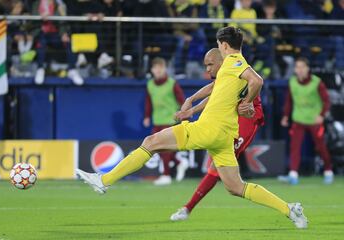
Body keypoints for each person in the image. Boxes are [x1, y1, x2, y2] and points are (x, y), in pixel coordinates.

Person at [76, 26, 308, 229]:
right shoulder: (233, 69)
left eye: (219, 44)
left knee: (150, 142)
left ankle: (103, 181)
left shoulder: (233, 61)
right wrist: (192, 106)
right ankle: (290, 209)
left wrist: (247, 103)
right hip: (224, 136)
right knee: (236, 187)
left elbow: (258, 80)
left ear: (224, 45)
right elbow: (217, 90)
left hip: (208, 129)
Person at [169, 47, 264, 221]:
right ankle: (187, 208)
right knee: (219, 169)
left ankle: (187, 208)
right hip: (232, 116)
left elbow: (256, 81)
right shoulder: (226, 70)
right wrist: (191, 102)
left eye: (210, 65)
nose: (207, 69)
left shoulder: (235, 65)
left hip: (246, 119)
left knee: (217, 169)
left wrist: (192, 106)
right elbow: (214, 91)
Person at [280, 57, 334, 185]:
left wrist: (321, 115)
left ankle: (328, 171)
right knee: (295, 147)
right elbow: (289, 101)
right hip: (298, 120)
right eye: (297, 67)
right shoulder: (292, 82)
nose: (299, 70)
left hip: (314, 120)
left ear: (307, 68)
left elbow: (326, 101)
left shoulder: (317, 82)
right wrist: (286, 116)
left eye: (302, 67)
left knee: (321, 147)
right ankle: (293, 174)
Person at [143, 57, 188, 185]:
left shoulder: (172, 83)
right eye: (155, 68)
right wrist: (147, 116)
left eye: (160, 68)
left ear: (164, 69)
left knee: (164, 148)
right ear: (152, 70)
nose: (158, 70)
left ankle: (166, 175)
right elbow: (148, 102)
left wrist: (184, 114)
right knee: (159, 148)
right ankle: (180, 163)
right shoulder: (150, 84)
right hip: (157, 120)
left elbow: (181, 99)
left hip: (170, 120)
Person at [32, 0, 83, 85]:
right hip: (41, 33)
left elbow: (62, 21)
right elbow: (32, 19)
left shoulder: (59, 3)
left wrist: (63, 33)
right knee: (42, 41)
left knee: (68, 42)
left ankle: (72, 70)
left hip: (56, 33)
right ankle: (40, 69)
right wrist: (41, 17)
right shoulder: (36, 3)